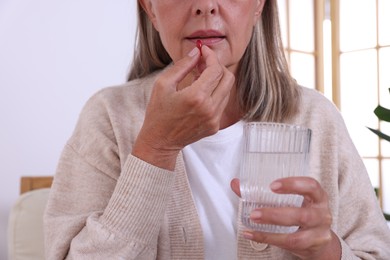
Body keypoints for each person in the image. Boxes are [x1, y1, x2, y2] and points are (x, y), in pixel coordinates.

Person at [44, 0, 390, 259]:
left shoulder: (316, 118)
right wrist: (156, 148)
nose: (206, 5)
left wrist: (326, 248)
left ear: (258, 6)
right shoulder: (108, 116)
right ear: (149, 7)